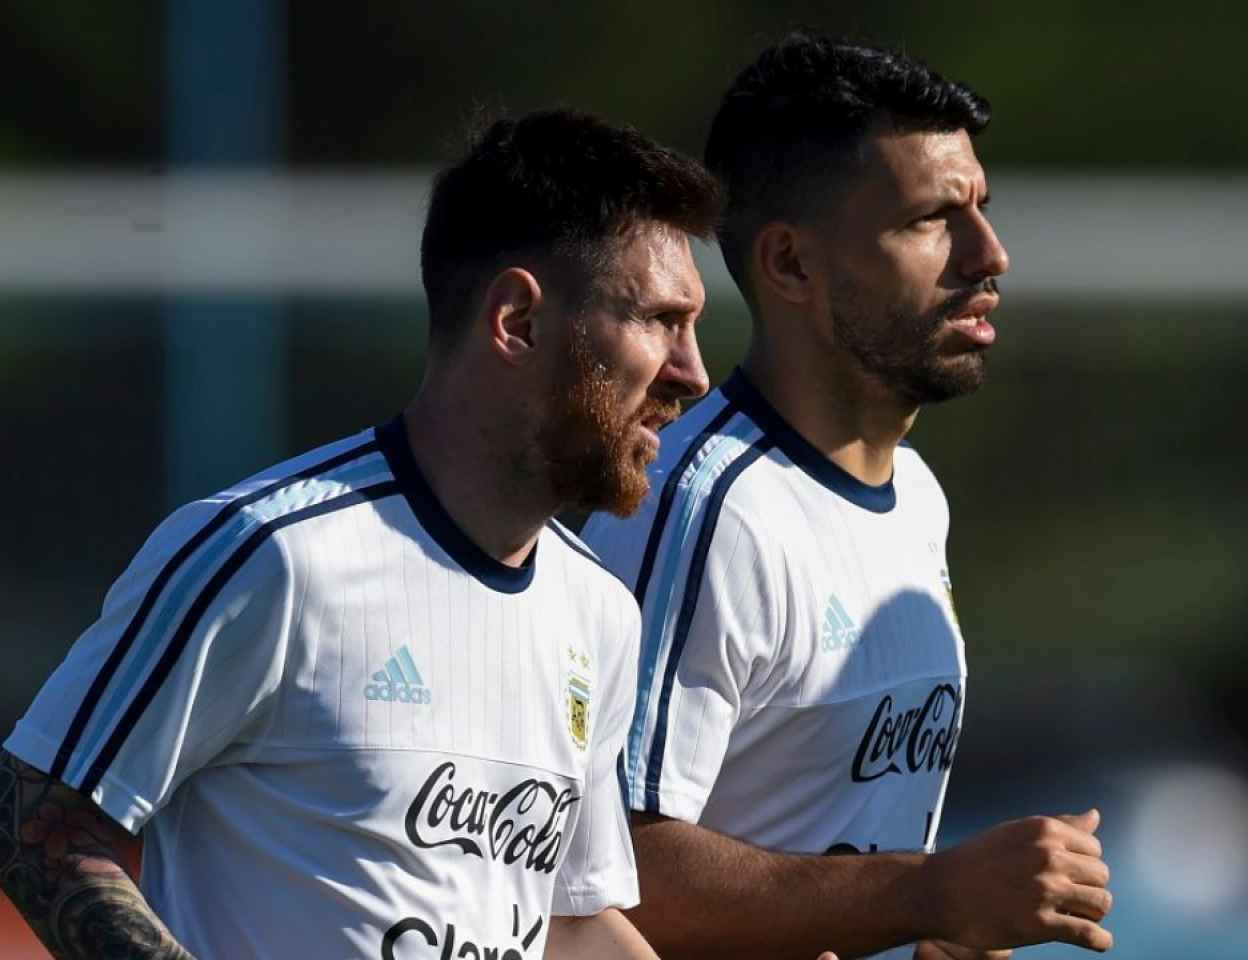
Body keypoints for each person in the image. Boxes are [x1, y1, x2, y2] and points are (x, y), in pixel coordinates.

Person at [0, 108, 719, 960]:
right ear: (518, 322)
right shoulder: (273, 556)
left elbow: (567, 922)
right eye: (660, 321)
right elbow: (36, 822)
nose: (694, 372)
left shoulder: (599, 612)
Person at [580, 33, 1114, 960]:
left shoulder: (916, 495)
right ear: (791, 266)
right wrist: (933, 893)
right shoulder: (705, 507)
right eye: (933, 219)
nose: (990, 254)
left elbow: (842, 868)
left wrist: (945, 931)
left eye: (982, 208)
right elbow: (605, 872)